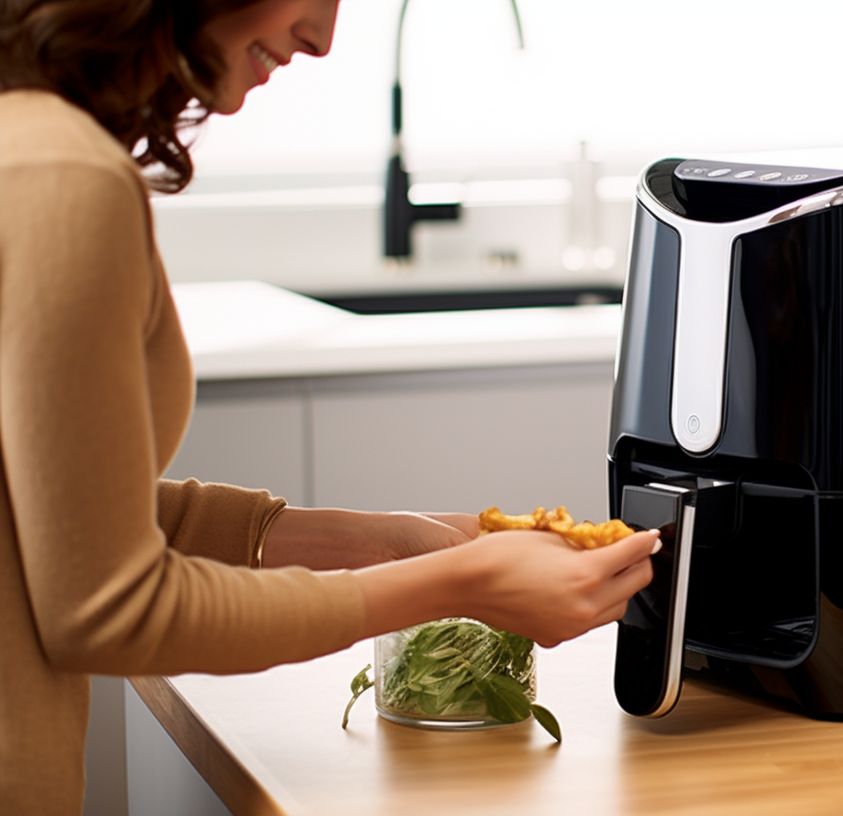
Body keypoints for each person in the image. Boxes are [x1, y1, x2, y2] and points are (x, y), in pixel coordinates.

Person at [0, 1, 659, 811]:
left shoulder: (29, 143)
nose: (323, 37)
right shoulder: (61, 175)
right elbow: (107, 608)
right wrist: (454, 584)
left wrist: (369, 543)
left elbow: (47, 523)